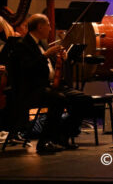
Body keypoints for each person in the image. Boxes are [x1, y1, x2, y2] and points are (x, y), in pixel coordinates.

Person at [7, 14, 92, 152]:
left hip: (50, 86)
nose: (50, 28)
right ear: (40, 27)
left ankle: (63, 136)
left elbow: (53, 67)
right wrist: (46, 55)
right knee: (58, 99)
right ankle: (44, 142)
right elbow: (27, 69)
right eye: (48, 25)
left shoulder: (43, 43)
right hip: (32, 89)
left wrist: (63, 58)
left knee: (83, 100)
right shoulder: (22, 45)